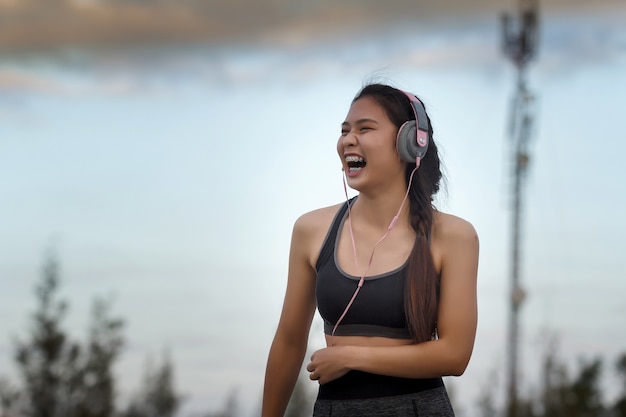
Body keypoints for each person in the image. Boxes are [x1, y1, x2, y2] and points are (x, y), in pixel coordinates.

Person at [262, 83, 479, 417]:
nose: (349, 139)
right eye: (345, 130)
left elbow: (455, 354)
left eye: (365, 128)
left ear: (411, 142)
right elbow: (289, 342)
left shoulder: (454, 236)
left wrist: (351, 356)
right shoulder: (310, 230)